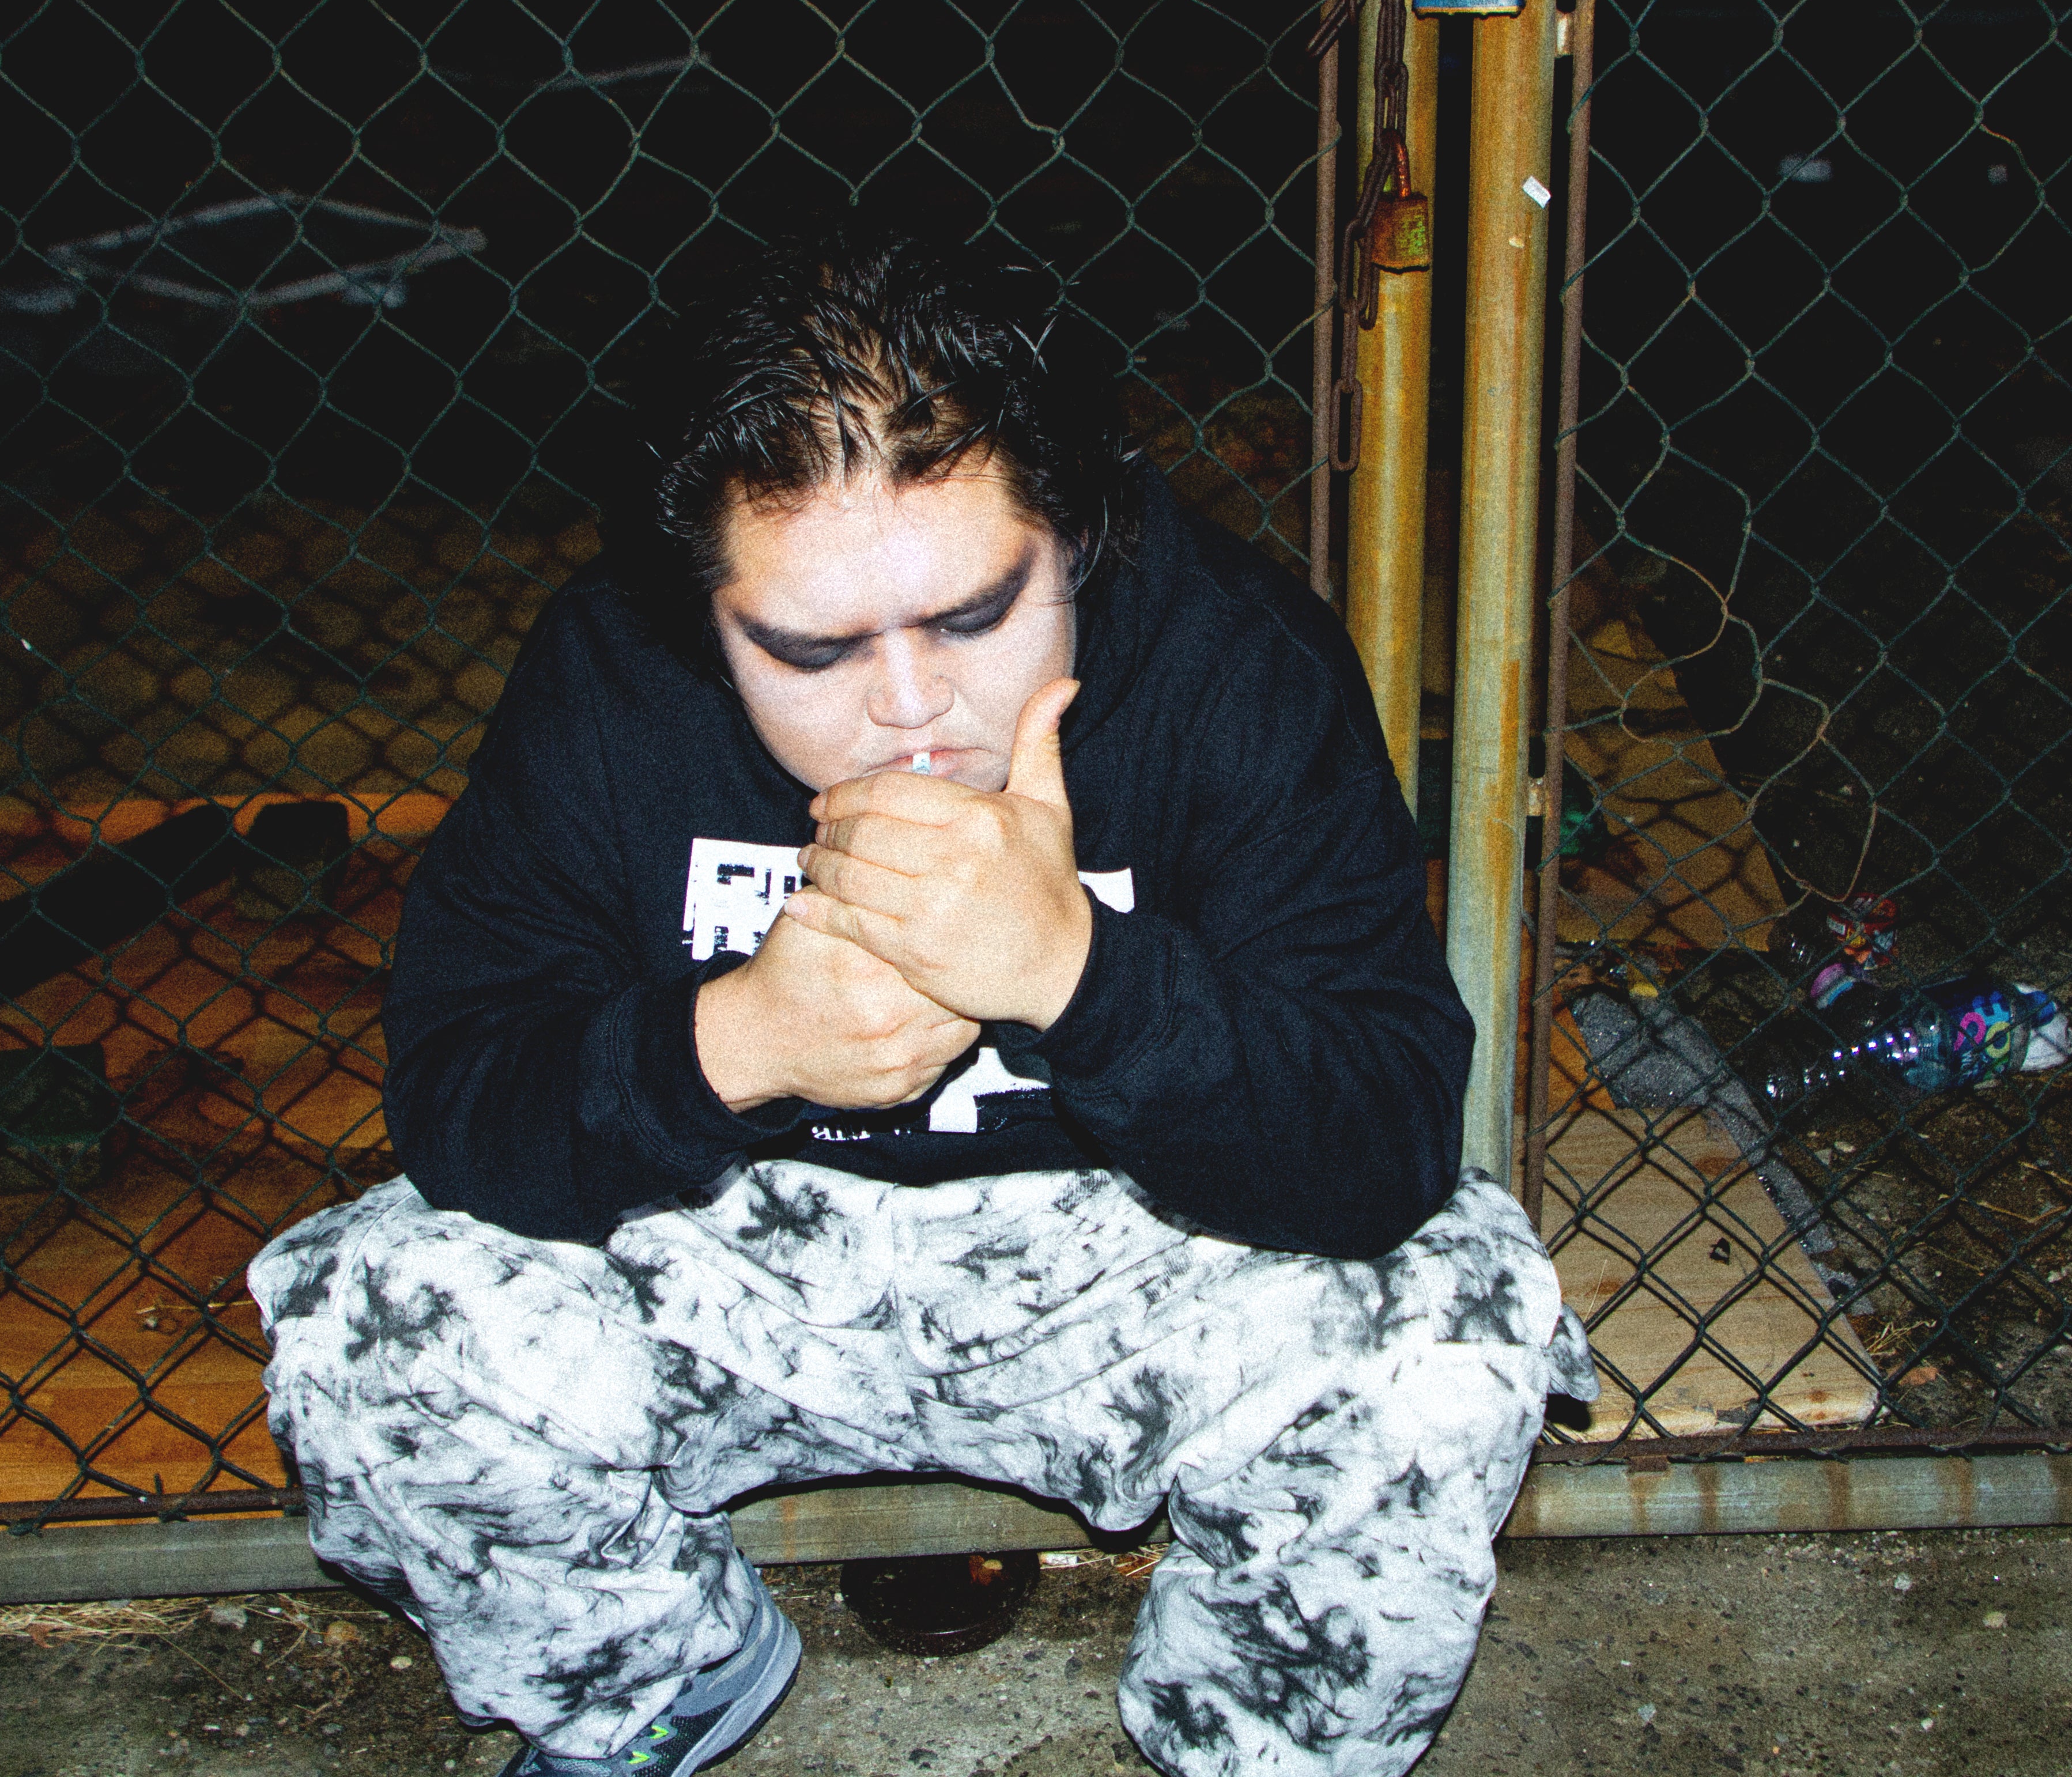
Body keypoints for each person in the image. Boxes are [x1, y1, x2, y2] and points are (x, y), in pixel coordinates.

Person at [250, 227, 1594, 1777]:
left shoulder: (1234, 657)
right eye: (808, 649)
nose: (907, 704)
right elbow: (458, 1097)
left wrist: (1077, 975)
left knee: (1454, 1327)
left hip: (1130, 1249)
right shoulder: (610, 676)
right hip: (734, 1250)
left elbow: (1385, 1137)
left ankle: (1257, 1743)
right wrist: (733, 1042)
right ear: (707, 617)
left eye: (972, 616)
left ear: (1074, 536)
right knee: (370, 1324)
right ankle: (656, 1678)